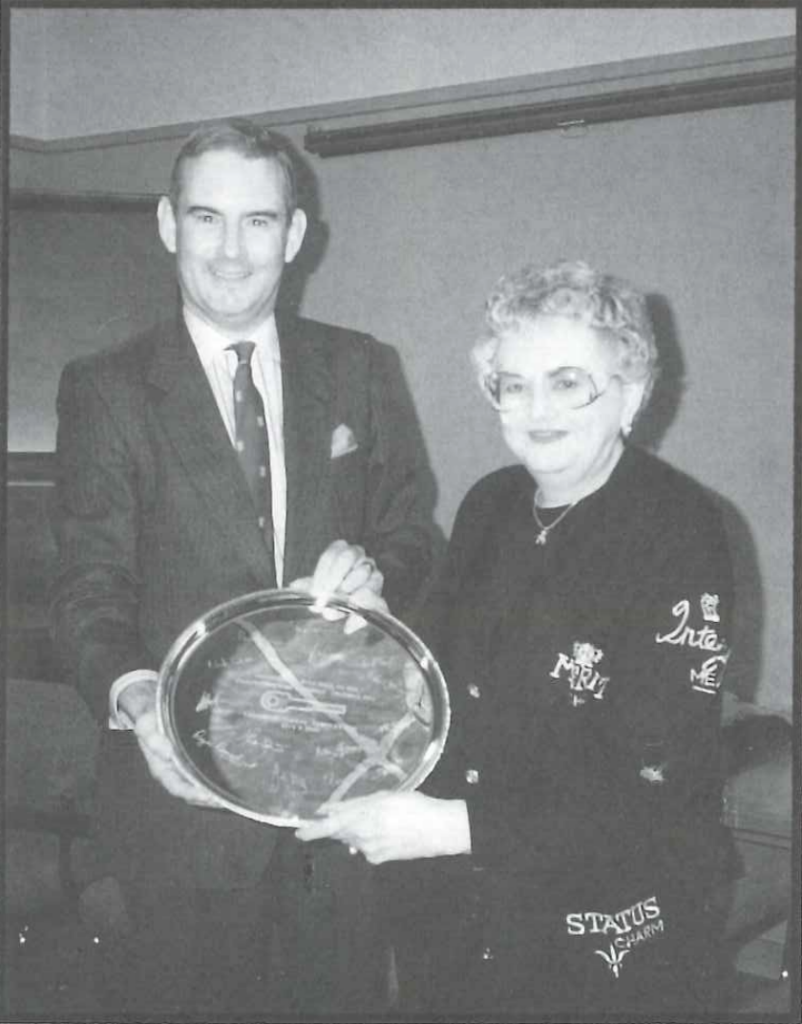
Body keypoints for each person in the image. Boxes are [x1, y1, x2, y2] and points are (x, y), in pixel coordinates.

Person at [49, 118, 434, 1018]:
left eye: (258, 222)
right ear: (166, 224)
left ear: (295, 236)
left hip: (341, 798)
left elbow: (415, 534)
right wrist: (142, 700)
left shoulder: (361, 368)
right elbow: (88, 586)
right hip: (178, 810)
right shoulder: (104, 389)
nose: (231, 250)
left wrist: (380, 569)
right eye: (206, 218)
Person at [297, 260, 735, 1019]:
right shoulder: (492, 502)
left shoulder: (681, 531)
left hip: (600, 928)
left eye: (569, 382)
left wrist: (447, 828)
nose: (537, 409)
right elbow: (430, 671)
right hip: (461, 916)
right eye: (514, 383)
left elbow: (657, 784)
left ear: (630, 394)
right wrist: (369, 610)